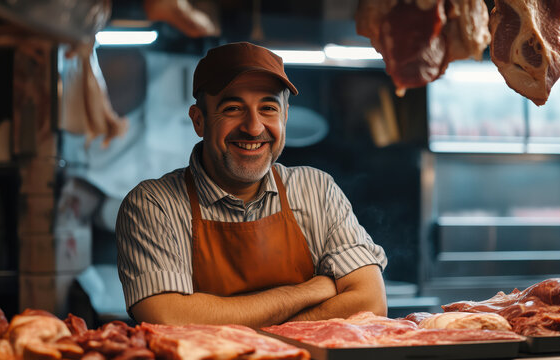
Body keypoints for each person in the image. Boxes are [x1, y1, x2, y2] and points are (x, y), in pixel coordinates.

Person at [116, 42, 388, 327]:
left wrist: (238, 324)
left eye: (268, 108)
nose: (254, 127)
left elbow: (369, 302)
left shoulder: (316, 190)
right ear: (199, 121)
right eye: (233, 108)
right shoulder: (152, 204)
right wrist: (310, 290)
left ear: (284, 117)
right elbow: (170, 317)